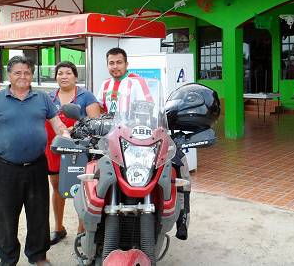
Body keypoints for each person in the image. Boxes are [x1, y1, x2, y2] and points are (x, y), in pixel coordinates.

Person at [0, 56, 71, 266]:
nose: (23, 76)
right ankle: (8, 259)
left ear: (32, 75)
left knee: (38, 214)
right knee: (6, 216)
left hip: (37, 166)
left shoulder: (42, 98)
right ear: (9, 74)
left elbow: (57, 124)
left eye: (27, 72)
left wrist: (65, 135)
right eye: (18, 72)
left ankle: (38, 255)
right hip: (6, 168)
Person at [96, 47, 191, 240]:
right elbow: (99, 111)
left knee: (178, 164)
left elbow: (153, 109)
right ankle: (93, 224)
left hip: (137, 140)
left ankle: (182, 216)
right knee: (93, 172)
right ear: (107, 65)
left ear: (126, 64)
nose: (115, 66)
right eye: (111, 63)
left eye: (119, 62)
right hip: (112, 142)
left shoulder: (138, 82)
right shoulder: (105, 85)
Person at [45, 61, 100, 246]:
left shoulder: (86, 96)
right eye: (60, 73)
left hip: (80, 151)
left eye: (68, 73)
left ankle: (82, 230)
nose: (64, 76)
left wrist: (74, 128)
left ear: (75, 76)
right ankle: (58, 228)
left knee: (82, 190)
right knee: (57, 188)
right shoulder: (50, 97)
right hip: (55, 149)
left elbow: (95, 123)